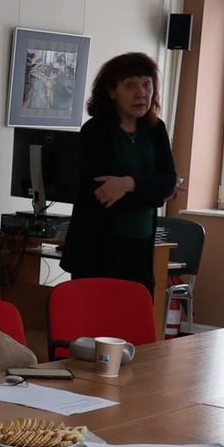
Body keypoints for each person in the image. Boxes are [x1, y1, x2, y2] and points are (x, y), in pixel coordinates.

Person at [60, 51, 180, 297]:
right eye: (130, 85)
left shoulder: (156, 129)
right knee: (95, 327)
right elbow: (106, 194)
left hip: (141, 248)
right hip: (98, 246)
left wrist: (128, 183)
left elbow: (168, 181)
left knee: (134, 325)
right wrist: (155, 194)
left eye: (147, 85)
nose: (142, 93)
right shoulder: (95, 131)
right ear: (111, 92)